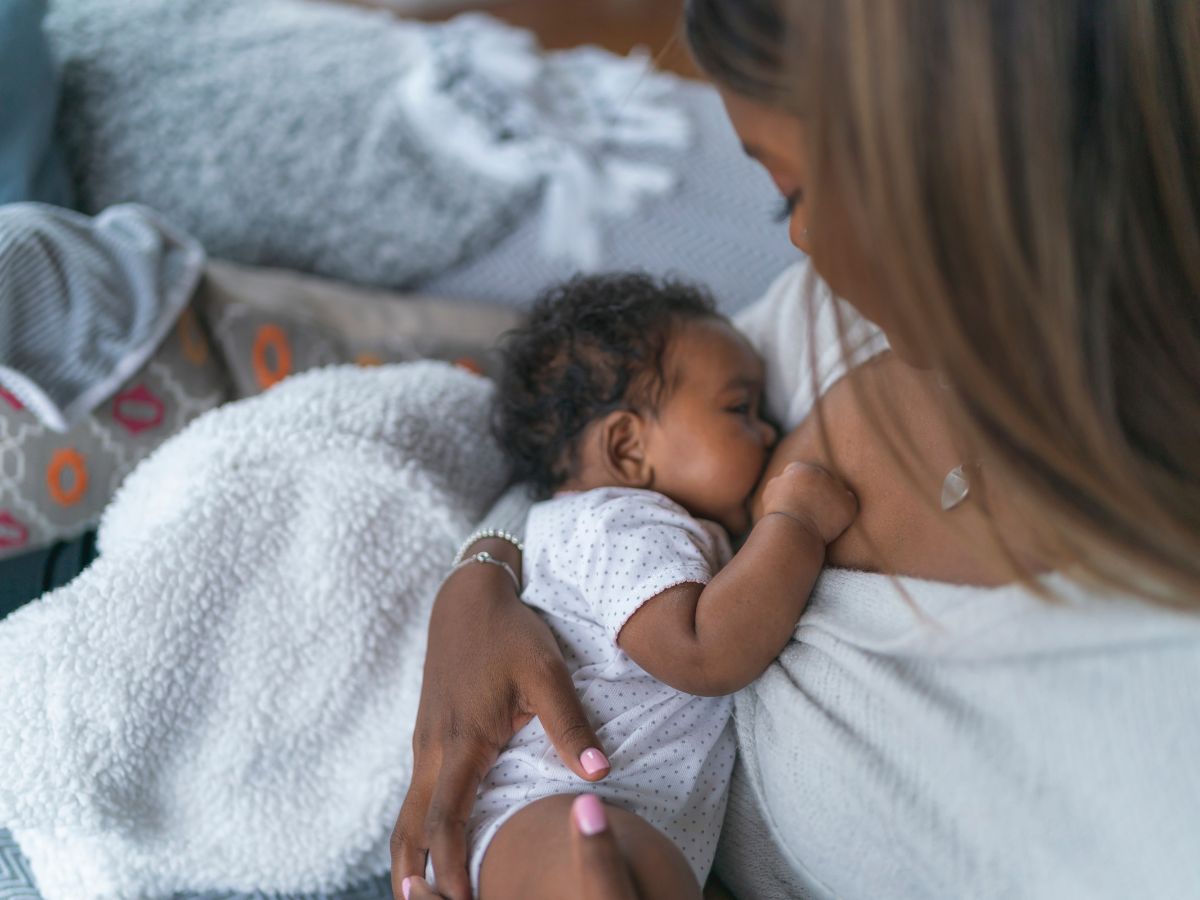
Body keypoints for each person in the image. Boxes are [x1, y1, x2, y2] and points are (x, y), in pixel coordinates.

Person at [393, 1, 1200, 898]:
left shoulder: (1149, 697)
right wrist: (480, 580)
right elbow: (581, 461)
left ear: (956, 152)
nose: (800, 243)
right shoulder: (828, 320)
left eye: (798, 191)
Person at [447, 273, 854, 898]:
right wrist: (796, 525)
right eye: (739, 409)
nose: (769, 432)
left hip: (598, 816)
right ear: (628, 447)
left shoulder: (615, 526)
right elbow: (702, 649)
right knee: (608, 871)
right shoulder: (624, 521)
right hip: (551, 802)